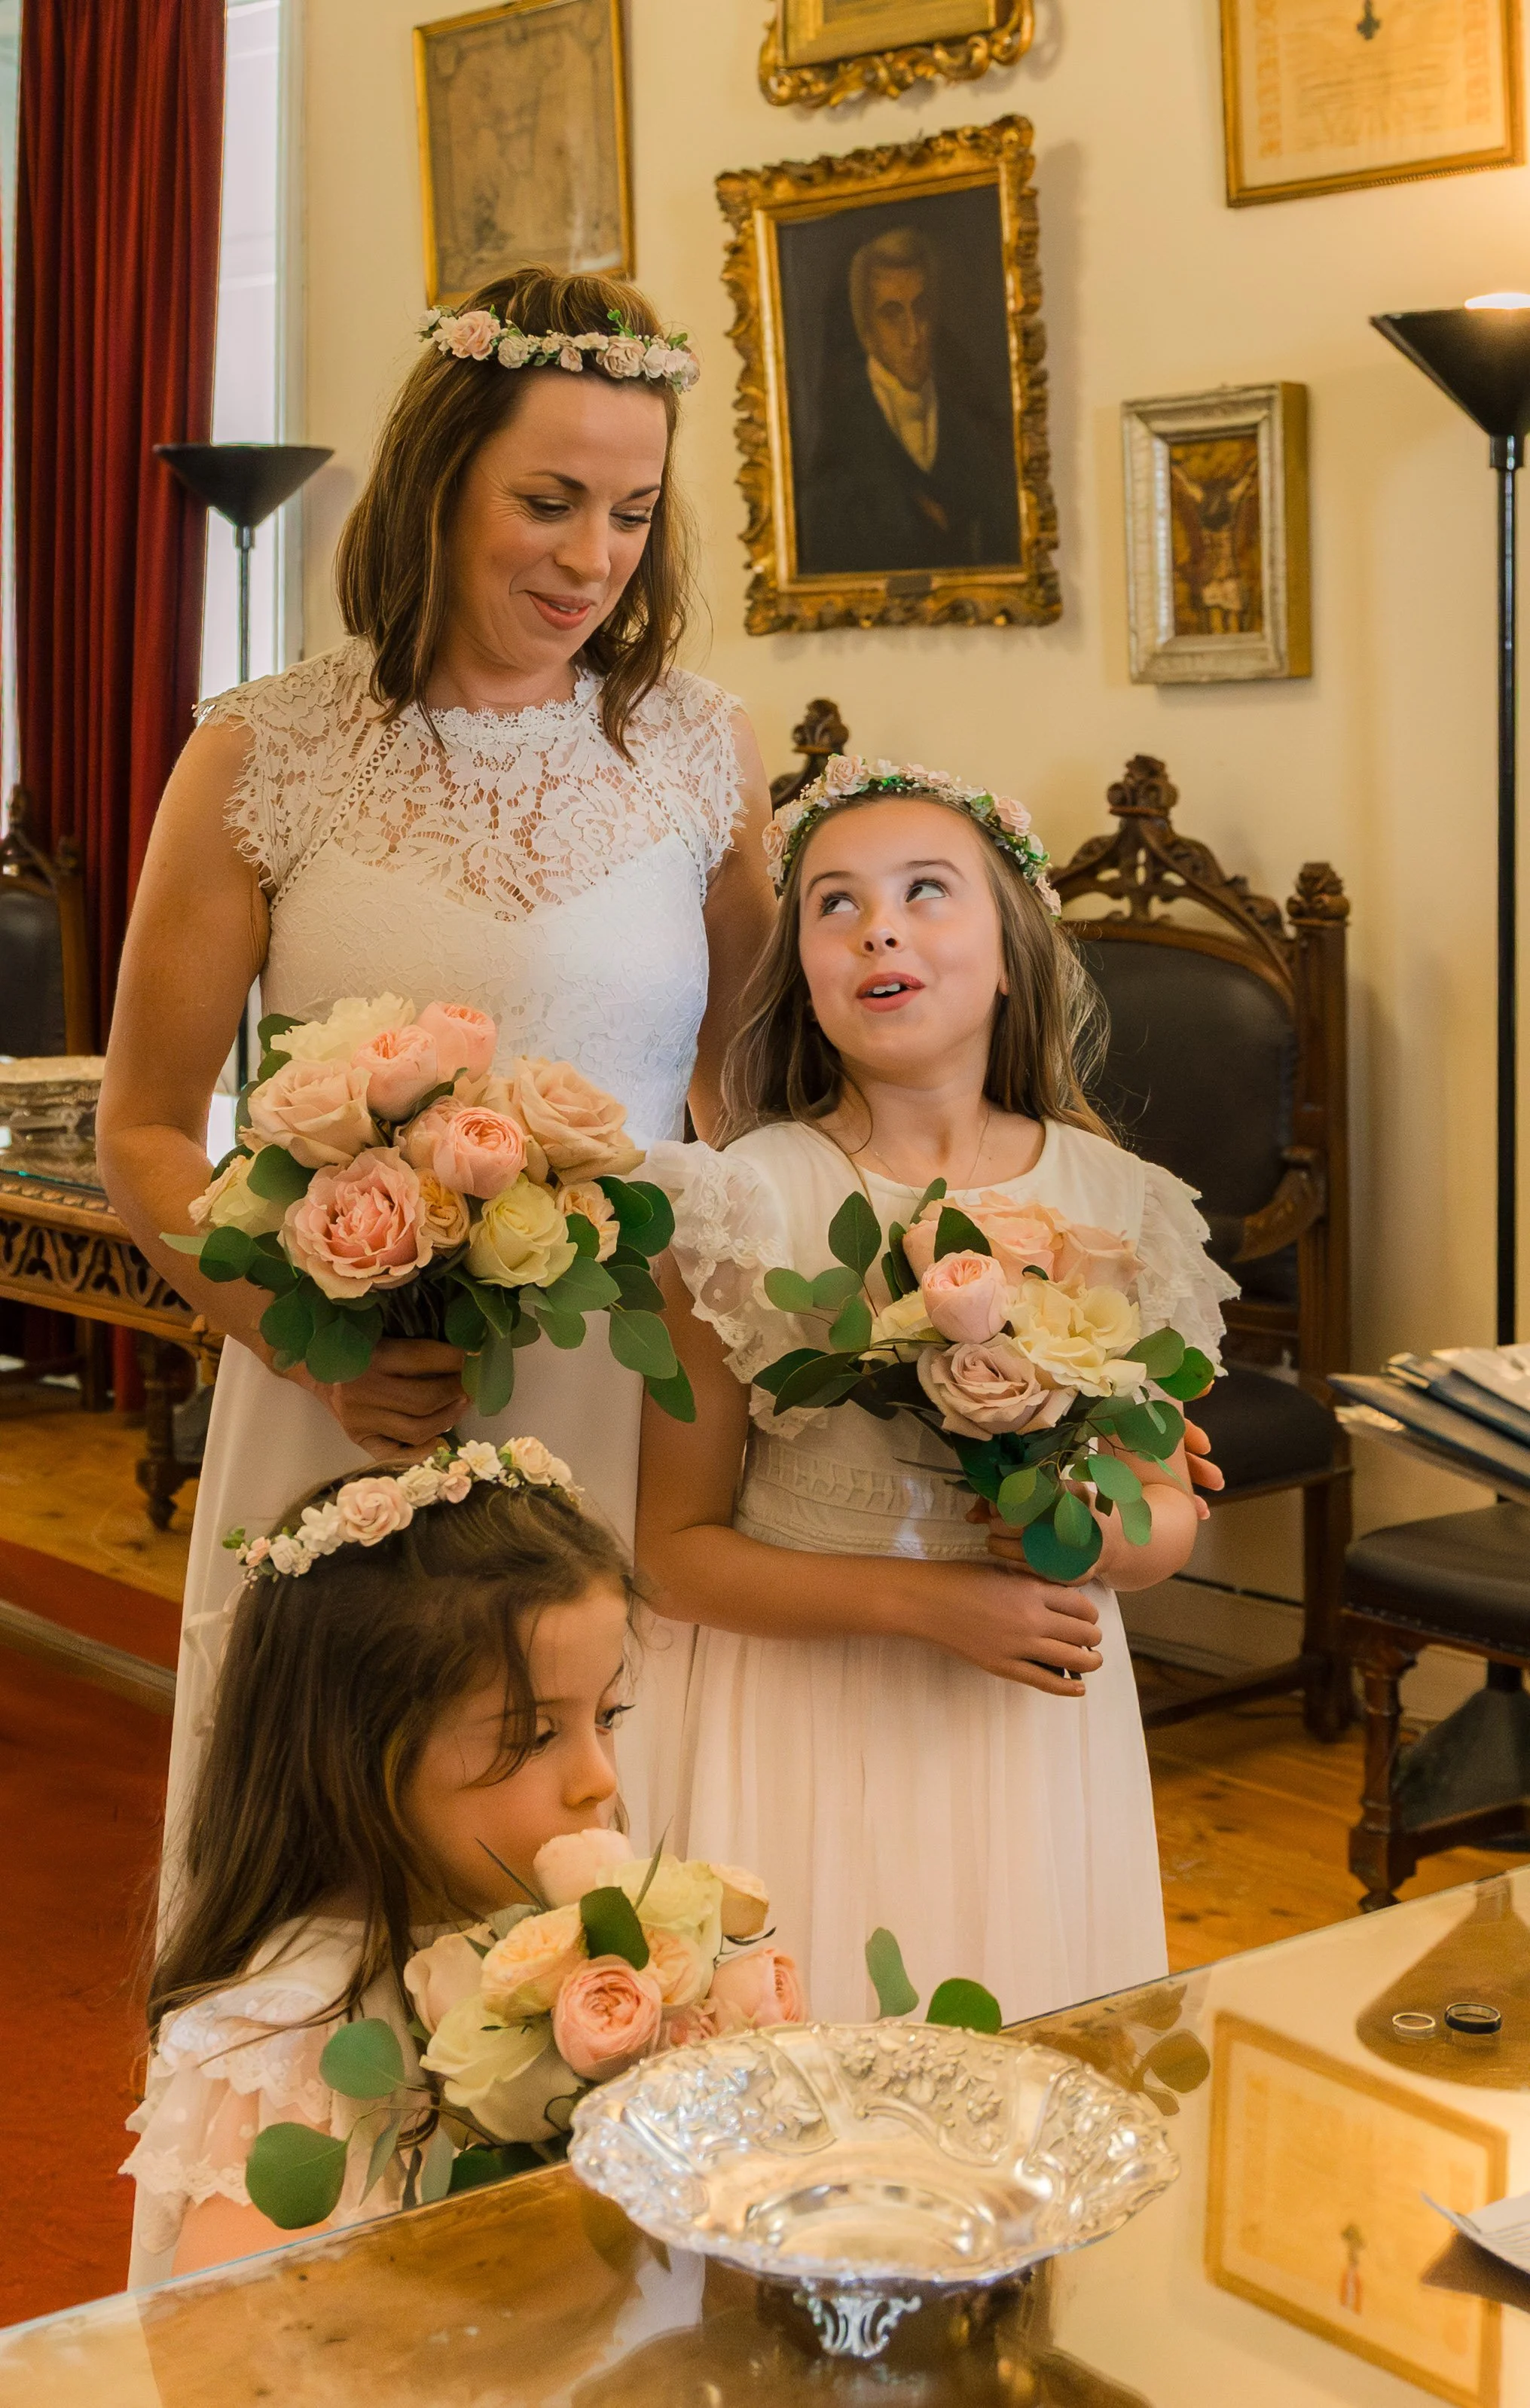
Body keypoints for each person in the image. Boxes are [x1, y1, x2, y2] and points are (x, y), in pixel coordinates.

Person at [97, 265, 775, 1884]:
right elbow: (139, 1124)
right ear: (435, 480)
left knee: (599, 1881)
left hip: (629, 1400)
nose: (589, 558)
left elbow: (757, 1103)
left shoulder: (699, 745)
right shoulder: (266, 750)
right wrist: (295, 1334)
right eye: (545, 500)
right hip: (360, 1397)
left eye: (629, 510)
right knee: (348, 1853)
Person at [635, 760, 1237, 2025]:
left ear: (1013, 954)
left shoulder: (1112, 1203)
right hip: (806, 1709)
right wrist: (935, 1602)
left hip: (1030, 1729)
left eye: (923, 892)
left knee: (1019, 2071)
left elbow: (1164, 1513)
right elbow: (673, 1556)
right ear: (803, 971)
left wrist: (1112, 1536)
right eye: (835, 906)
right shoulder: (747, 1203)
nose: (880, 927)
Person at [122, 1441, 635, 2284]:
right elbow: (238, 2354)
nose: (599, 1779)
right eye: (536, 1734)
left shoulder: (544, 1936)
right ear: (359, 1758)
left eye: (610, 1713)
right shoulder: (295, 2037)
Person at [794, 224, 1020, 578]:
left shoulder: (970, 409)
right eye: (892, 314)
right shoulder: (838, 433)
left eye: (921, 309)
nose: (913, 335)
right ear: (866, 331)